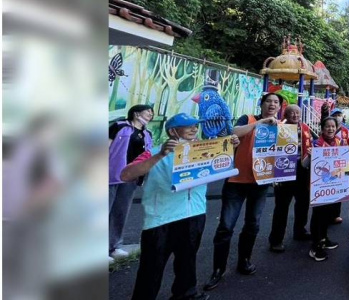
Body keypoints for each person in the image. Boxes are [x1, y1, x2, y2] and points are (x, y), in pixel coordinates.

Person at [121, 113, 239, 300]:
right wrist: (160, 155)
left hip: (194, 215)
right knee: (151, 267)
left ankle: (186, 294)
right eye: (188, 126)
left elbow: (223, 165)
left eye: (195, 125)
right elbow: (126, 175)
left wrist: (231, 146)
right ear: (173, 131)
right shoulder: (154, 152)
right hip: (161, 220)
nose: (194, 129)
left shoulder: (203, 150)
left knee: (187, 260)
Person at [205, 93, 280, 291]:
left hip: (260, 183)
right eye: (269, 101)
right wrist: (260, 122)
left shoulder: (281, 127)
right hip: (236, 182)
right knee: (226, 226)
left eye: (276, 102)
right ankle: (218, 269)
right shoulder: (248, 118)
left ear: (279, 107)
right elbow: (234, 132)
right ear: (262, 104)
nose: (272, 104)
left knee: (253, 224)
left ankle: (244, 260)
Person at [109, 104, 154, 260]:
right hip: (111, 175)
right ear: (136, 113)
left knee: (120, 212)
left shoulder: (147, 134)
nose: (151, 114)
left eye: (152, 113)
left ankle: (113, 246)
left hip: (131, 178)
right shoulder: (119, 126)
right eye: (148, 111)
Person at [268, 105, 314, 253]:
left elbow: (311, 143)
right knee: (282, 206)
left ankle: (300, 231)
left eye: (297, 113)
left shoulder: (305, 128)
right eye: (292, 113)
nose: (295, 115)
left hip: (302, 169)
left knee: (303, 203)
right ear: (286, 115)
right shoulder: (278, 127)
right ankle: (276, 240)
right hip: (284, 169)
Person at [306, 116, 345, 261]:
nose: (330, 129)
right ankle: (315, 246)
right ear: (322, 129)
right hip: (319, 187)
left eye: (333, 126)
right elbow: (304, 164)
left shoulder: (340, 142)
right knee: (318, 215)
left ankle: (324, 238)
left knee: (328, 214)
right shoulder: (316, 144)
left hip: (334, 185)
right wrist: (309, 156)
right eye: (327, 126)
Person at [329, 108, 349, 225]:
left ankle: (336, 214)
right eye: (335, 115)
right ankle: (327, 214)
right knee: (328, 187)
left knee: (339, 188)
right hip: (329, 162)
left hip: (342, 163)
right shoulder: (328, 129)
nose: (338, 117)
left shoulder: (346, 131)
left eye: (339, 115)